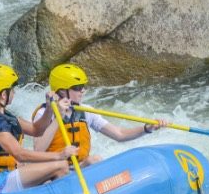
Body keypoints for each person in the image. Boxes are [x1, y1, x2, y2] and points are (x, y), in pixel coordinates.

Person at [0, 64, 77, 194]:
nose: (14, 93)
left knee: (47, 171)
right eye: (12, 90)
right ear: (3, 95)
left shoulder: (1, 114)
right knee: (61, 166)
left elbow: (36, 130)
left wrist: (50, 108)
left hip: (3, 176)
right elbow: (19, 154)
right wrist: (59, 155)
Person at [32, 64, 168, 166]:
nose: (83, 91)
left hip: (79, 167)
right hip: (54, 171)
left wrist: (146, 128)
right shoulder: (44, 114)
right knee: (72, 166)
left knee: (95, 160)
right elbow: (38, 150)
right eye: (78, 87)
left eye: (83, 86)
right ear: (61, 91)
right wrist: (58, 116)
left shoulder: (86, 111)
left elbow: (120, 134)